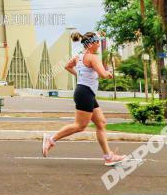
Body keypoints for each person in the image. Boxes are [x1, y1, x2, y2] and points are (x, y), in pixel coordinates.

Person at [42, 31, 126, 166]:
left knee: (101, 123)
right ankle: (51, 139)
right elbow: (103, 74)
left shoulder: (78, 57)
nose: (99, 44)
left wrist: (79, 76)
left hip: (85, 92)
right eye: (97, 42)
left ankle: (108, 156)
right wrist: (109, 74)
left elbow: (67, 66)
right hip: (85, 93)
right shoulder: (93, 58)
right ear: (91, 44)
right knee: (80, 126)